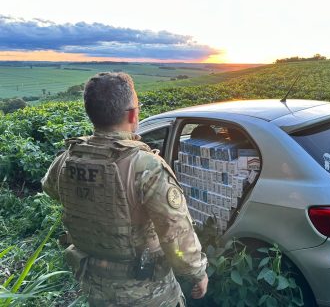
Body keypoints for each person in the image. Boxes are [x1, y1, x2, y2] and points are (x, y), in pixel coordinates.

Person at [41, 72, 208, 306]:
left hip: (94, 285)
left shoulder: (68, 158)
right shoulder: (145, 165)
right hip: (148, 291)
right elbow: (175, 233)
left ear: (92, 113)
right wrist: (196, 273)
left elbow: (51, 188)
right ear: (132, 113)